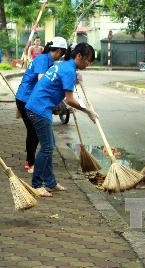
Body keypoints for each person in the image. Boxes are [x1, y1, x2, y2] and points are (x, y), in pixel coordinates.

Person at [25, 42, 98, 197]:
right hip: (39, 109)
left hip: (36, 106)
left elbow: (57, 89)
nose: (88, 64)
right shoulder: (69, 70)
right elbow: (70, 99)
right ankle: (36, 185)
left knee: (49, 145)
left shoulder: (63, 65)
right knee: (47, 148)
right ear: (79, 56)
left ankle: (50, 182)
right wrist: (87, 110)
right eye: (88, 60)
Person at [15, 36, 68, 173]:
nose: (62, 56)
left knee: (34, 131)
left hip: (31, 98)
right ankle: (30, 163)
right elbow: (41, 82)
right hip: (26, 98)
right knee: (33, 131)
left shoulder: (49, 61)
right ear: (58, 51)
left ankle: (31, 161)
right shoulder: (43, 60)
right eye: (62, 53)